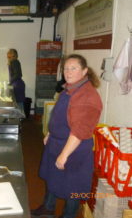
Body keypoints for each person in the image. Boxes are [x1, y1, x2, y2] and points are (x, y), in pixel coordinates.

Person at [31, 54, 103, 218]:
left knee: (73, 188)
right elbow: (61, 115)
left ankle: (68, 215)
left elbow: (79, 131)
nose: (68, 72)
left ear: (84, 71)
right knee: (51, 177)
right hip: (57, 142)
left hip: (73, 148)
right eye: (66, 68)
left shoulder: (87, 96)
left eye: (73, 68)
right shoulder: (71, 87)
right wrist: (50, 132)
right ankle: (48, 208)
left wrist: (64, 155)